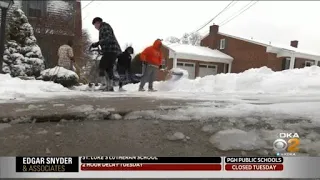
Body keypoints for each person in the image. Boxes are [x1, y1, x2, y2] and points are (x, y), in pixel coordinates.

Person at [90, 17, 122, 92]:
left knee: (102, 66)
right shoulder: (106, 27)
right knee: (108, 68)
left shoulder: (104, 27)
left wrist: (97, 43)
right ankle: (110, 86)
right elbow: (107, 40)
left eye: (95, 26)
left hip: (110, 50)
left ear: (98, 23)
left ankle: (103, 84)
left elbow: (108, 38)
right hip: (112, 50)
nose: (95, 28)